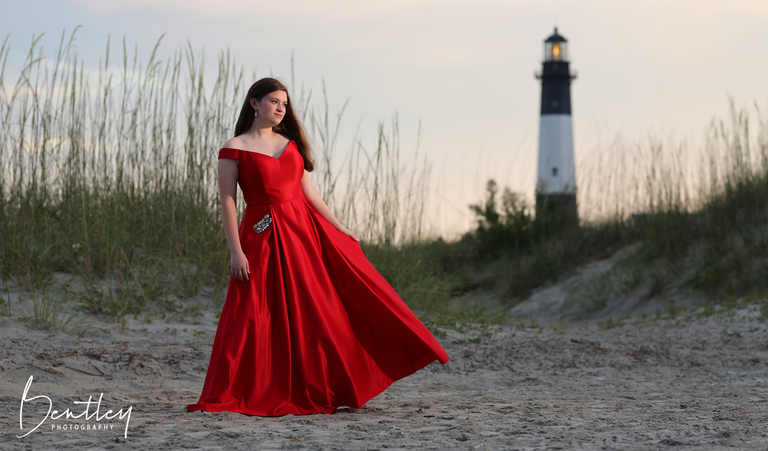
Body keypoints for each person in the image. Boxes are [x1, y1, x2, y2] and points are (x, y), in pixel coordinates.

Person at [186, 77, 450, 416]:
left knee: (320, 312)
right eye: (273, 101)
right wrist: (236, 251)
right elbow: (227, 202)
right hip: (262, 237)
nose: (281, 108)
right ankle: (253, 387)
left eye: (284, 103)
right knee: (254, 315)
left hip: (304, 234)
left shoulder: (290, 143)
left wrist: (338, 226)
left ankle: (334, 384)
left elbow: (309, 193)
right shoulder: (234, 147)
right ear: (254, 103)